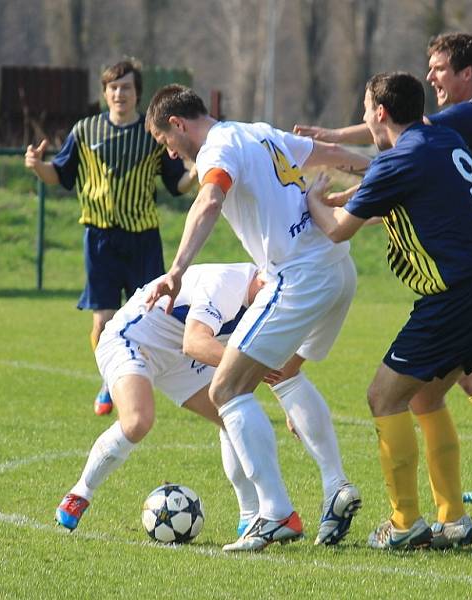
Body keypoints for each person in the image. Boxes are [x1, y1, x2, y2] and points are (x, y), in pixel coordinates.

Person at [295, 32, 472, 512]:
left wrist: (318, 191)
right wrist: (359, 193)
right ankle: (459, 513)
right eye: (427, 71)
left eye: (439, 67)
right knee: (429, 396)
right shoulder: (445, 136)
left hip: (471, 280)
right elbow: (406, 187)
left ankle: (408, 521)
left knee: (387, 395)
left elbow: (345, 223)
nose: (433, 75)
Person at [143, 84, 371, 552]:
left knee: (224, 389)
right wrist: (385, 166)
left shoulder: (218, 148)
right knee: (283, 375)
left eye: (166, 142)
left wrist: (176, 272)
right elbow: (327, 152)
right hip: (338, 269)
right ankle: (335, 487)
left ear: (177, 124)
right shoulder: (259, 132)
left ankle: (274, 513)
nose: (170, 151)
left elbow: (208, 202)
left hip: (298, 276)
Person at [24, 60, 197, 417]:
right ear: (104, 93)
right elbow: (59, 174)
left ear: (138, 93)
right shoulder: (85, 130)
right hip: (99, 239)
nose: (120, 94)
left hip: (143, 238)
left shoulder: (152, 135)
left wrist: (196, 171)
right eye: (114, 88)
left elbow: (175, 184)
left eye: (127, 88)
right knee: (103, 320)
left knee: (150, 316)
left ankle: (158, 379)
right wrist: (37, 166)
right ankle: (111, 377)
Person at [55, 263, 263, 533]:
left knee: (232, 414)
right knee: (138, 421)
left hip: (180, 357)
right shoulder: (227, 283)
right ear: (263, 277)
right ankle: (80, 492)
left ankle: (251, 517)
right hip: (135, 338)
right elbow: (196, 342)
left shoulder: (268, 305)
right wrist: (245, 365)